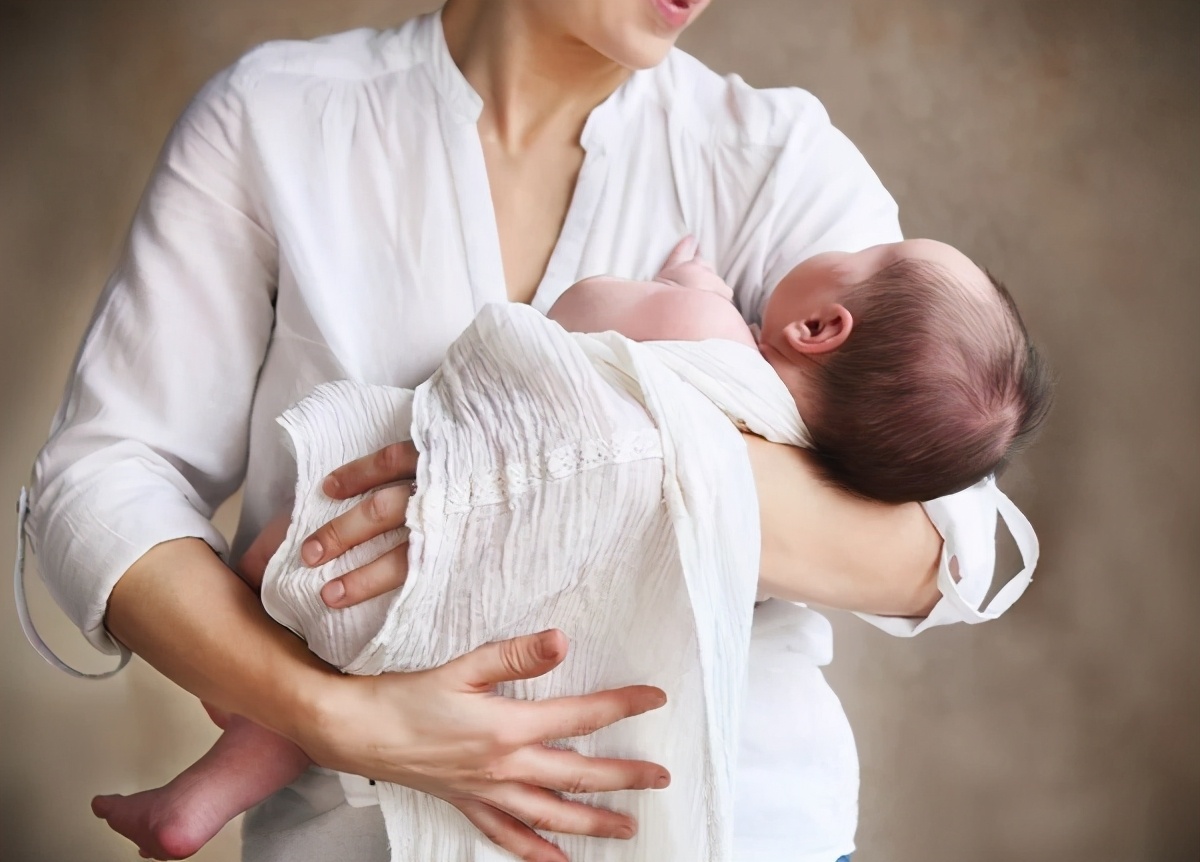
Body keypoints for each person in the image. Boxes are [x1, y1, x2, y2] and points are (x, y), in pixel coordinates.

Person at [21, 2, 1041, 861]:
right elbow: (105, 476)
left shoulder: (774, 156)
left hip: (736, 827)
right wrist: (337, 717)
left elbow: (942, 540)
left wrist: (525, 475)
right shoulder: (279, 121)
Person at [86, 233, 1048, 860]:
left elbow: (584, 309)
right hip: (625, 730)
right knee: (356, 682)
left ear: (819, 325)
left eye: (861, 249)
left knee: (333, 572)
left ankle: (211, 766)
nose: (834, 239)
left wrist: (689, 286)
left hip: (466, 559)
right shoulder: (824, 464)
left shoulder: (712, 332)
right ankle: (216, 769)